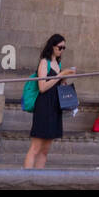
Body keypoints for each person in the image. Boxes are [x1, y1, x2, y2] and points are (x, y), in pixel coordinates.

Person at [23, 33, 76, 169]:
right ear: (52, 46)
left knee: (45, 150)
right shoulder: (44, 62)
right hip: (44, 105)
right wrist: (60, 75)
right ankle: (26, 179)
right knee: (35, 147)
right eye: (60, 47)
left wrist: (64, 79)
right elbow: (42, 87)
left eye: (64, 48)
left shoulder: (58, 64)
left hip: (54, 106)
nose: (62, 50)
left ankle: (38, 180)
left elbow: (57, 85)